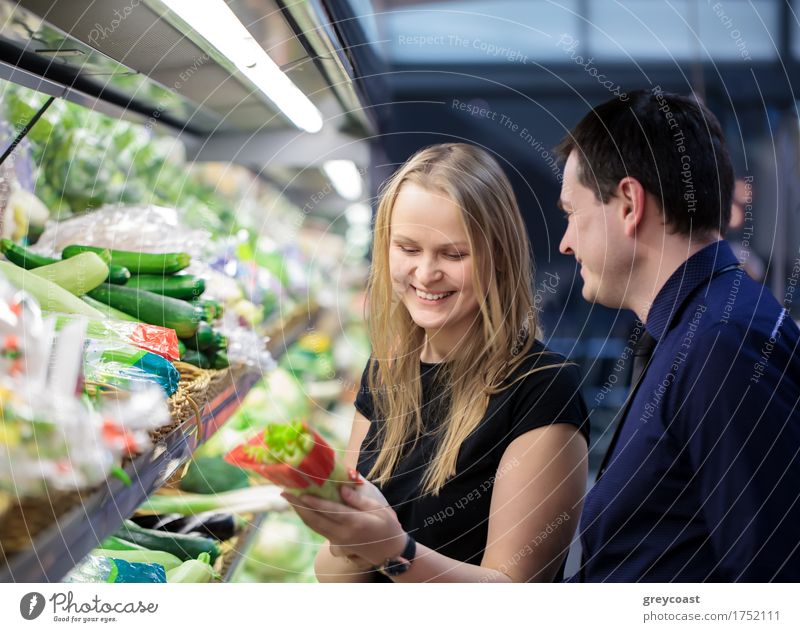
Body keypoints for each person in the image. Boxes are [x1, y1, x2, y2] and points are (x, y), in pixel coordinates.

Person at [284, 143, 590, 582]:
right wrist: (339, 531)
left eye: (453, 255)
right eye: (408, 249)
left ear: (498, 256)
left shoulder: (543, 389)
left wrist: (392, 550)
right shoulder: (386, 371)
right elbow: (338, 573)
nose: (426, 274)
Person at [555, 89, 800, 581]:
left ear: (628, 203)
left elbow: (771, 588)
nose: (565, 242)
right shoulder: (700, 330)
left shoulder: (722, 344)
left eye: (571, 213)